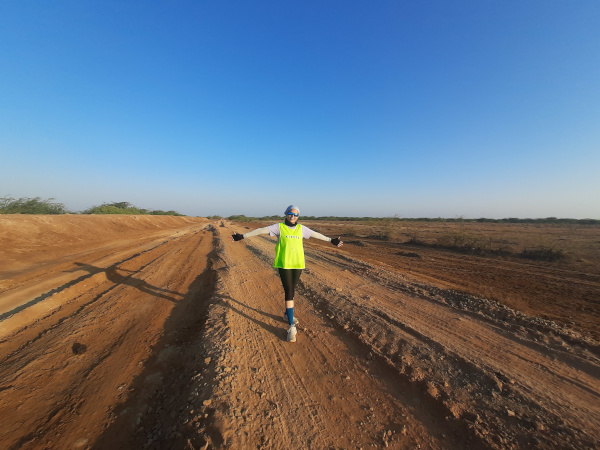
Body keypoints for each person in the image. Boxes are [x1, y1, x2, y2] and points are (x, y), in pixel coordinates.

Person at [230, 205, 343, 342]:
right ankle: (291, 326)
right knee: (289, 291)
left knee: (292, 290)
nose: (293, 216)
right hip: (284, 264)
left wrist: (331, 240)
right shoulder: (279, 227)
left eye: (296, 214)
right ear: (286, 214)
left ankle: (286, 314)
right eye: (291, 213)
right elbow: (261, 230)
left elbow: (315, 234)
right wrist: (243, 236)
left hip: (298, 264)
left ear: (298, 216)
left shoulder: (302, 229)